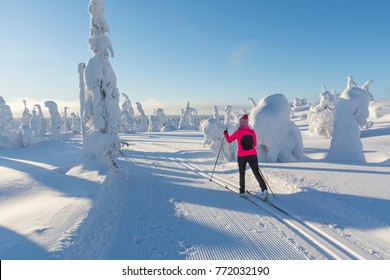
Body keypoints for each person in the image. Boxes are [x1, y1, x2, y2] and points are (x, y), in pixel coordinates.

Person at [223, 114, 268, 201]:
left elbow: (229, 140)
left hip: (242, 156)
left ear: (241, 123)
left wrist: (226, 134)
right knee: (256, 172)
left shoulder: (238, 132)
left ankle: (242, 191)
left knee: (242, 173)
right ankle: (264, 190)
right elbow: (254, 144)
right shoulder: (252, 132)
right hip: (253, 155)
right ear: (247, 123)